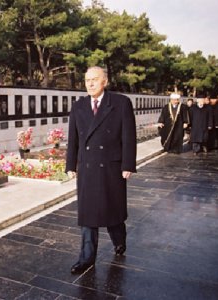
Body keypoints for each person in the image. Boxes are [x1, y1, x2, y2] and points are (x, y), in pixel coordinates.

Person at [65, 66, 137, 274]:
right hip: (88, 167)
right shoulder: (78, 106)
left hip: (111, 167)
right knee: (88, 214)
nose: (90, 83)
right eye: (87, 80)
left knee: (112, 210)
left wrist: (128, 165)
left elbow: (128, 137)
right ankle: (86, 258)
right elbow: (74, 139)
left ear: (105, 81)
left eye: (95, 79)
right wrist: (71, 165)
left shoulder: (120, 103)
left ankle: (119, 240)